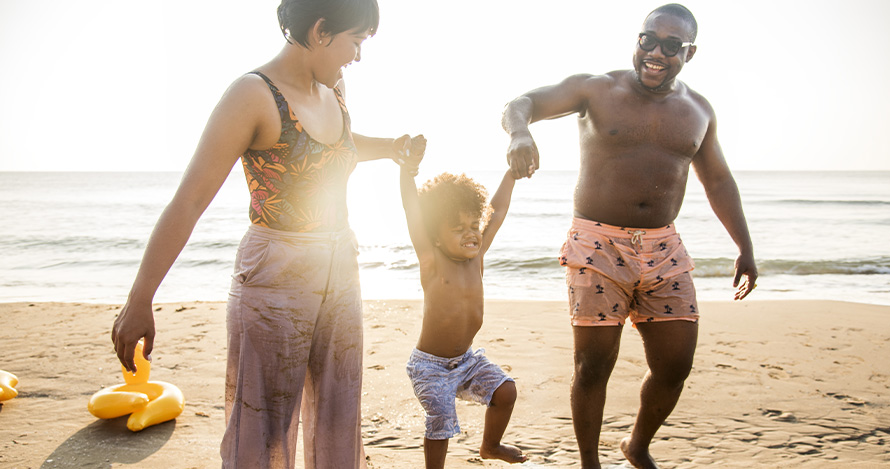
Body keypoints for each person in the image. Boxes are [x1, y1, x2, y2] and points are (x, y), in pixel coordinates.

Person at [110, 0, 426, 467]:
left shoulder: (334, 87)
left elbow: (336, 148)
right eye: (355, 41)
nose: (357, 57)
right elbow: (190, 200)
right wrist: (140, 299)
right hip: (276, 272)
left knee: (339, 411)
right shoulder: (252, 95)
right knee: (263, 426)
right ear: (320, 30)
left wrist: (394, 149)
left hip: (341, 268)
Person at [501, 4, 758, 469]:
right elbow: (521, 103)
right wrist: (520, 134)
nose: (656, 53)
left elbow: (717, 180)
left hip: (664, 247)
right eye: (648, 40)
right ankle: (589, 464)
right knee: (593, 367)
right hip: (596, 244)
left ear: (689, 53)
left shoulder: (699, 110)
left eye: (671, 46)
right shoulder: (596, 88)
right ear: (637, 40)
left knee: (675, 366)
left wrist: (745, 247)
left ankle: (636, 444)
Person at [399, 162, 529, 468]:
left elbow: (496, 213)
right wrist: (406, 171)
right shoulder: (431, 260)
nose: (471, 234)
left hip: (467, 361)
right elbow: (412, 213)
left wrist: (511, 175)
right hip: (429, 366)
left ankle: (491, 446)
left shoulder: (477, 258)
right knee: (441, 417)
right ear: (436, 236)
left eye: (473, 225)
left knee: (506, 391)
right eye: (458, 229)